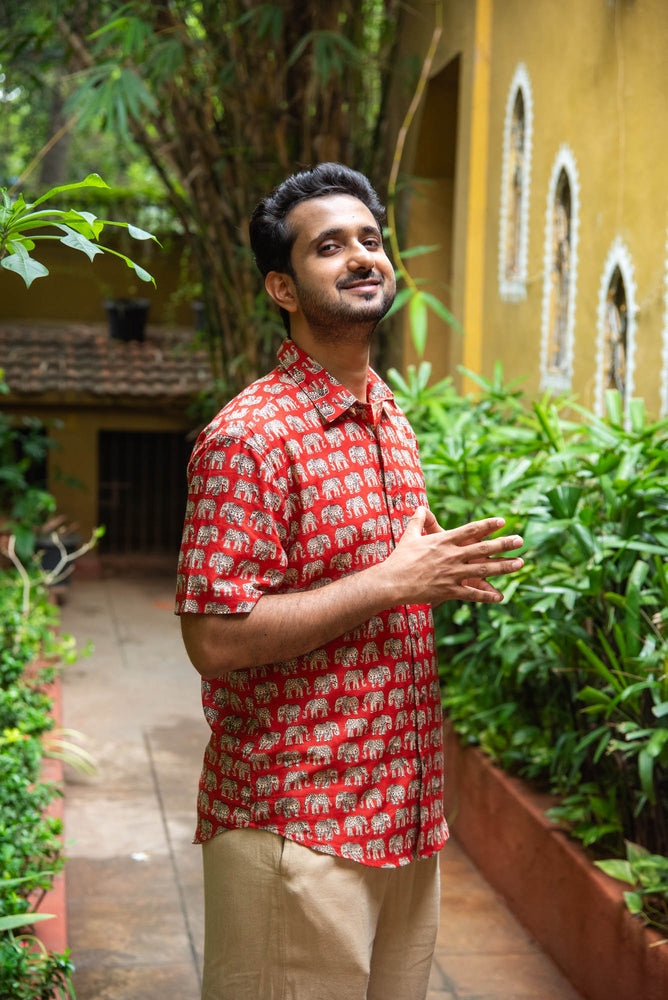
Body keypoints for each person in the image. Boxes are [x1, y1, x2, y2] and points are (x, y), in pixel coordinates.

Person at [176, 162, 524, 1000]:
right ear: (282, 288)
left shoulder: (386, 413)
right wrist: (391, 582)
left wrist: (434, 573)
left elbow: (387, 573)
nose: (362, 256)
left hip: (404, 818)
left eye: (370, 239)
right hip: (298, 824)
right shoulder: (249, 438)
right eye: (329, 247)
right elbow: (213, 639)